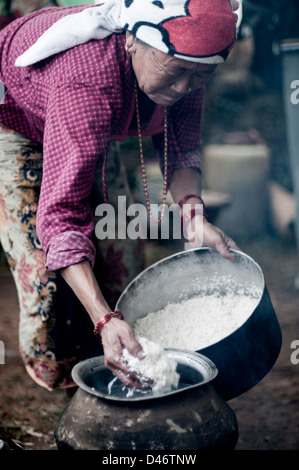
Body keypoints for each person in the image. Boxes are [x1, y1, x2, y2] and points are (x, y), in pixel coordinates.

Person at [0, 0, 240, 392]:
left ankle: (128, 361)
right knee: (49, 286)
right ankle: (75, 388)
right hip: (18, 123)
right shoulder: (88, 84)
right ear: (131, 39)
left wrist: (195, 220)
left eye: (199, 78)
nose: (183, 88)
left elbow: (180, 148)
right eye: (176, 72)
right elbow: (60, 215)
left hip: (89, 123)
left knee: (123, 261)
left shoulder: (190, 59)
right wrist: (103, 319)